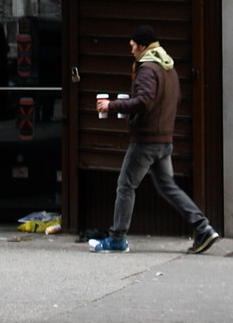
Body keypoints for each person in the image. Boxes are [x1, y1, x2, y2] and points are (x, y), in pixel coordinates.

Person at [92, 25, 220, 254]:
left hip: (147, 140)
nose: (131, 52)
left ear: (142, 46)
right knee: (167, 186)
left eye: (133, 47)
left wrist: (113, 105)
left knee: (125, 185)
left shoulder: (148, 69)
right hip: (164, 139)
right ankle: (203, 228)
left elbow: (144, 101)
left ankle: (117, 238)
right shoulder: (167, 67)